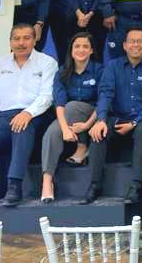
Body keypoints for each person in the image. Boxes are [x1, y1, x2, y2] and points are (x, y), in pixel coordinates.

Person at [0, 24, 57, 227]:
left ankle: (14, 185)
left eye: (26, 38)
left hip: (36, 115)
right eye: (16, 38)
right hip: (3, 119)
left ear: (35, 40)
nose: (21, 43)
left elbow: (47, 96)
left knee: (22, 126)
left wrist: (27, 113)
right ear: (10, 41)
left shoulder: (47, 63)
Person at [85, 27, 142, 205]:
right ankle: (94, 185)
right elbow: (105, 94)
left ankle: (136, 186)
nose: (136, 45)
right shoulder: (113, 67)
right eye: (132, 41)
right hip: (118, 116)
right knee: (98, 132)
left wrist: (135, 122)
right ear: (125, 45)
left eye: (140, 41)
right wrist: (101, 119)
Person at [40, 32, 100, 204]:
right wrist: (65, 129)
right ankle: (47, 181)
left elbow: (104, 101)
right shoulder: (62, 72)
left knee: (72, 106)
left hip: (93, 115)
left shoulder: (99, 70)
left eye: (85, 46)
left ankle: (82, 146)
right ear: (71, 50)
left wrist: (87, 125)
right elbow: (59, 103)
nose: (81, 50)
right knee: (52, 132)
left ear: (91, 50)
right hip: (68, 115)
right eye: (77, 46)